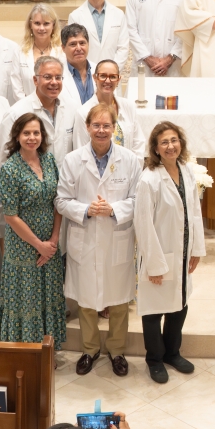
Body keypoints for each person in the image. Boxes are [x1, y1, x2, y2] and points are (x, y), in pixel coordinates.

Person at [56, 104, 142, 377]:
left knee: (118, 299)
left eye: (107, 126)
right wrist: (86, 210)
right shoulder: (72, 160)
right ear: (87, 127)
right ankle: (89, 349)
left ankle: (117, 350)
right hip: (86, 235)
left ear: (115, 128)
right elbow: (61, 200)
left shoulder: (130, 160)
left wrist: (114, 209)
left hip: (117, 236)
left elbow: (139, 199)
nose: (102, 130)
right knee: (86, 298)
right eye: (96, 125)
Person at [135, 122, 206, 383]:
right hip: (159, 254)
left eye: (174, 140)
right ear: (155, 148)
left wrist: (197, 247)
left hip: (183, 252)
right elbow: (142, 224)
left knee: (180, 304)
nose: (170, 146)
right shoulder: (149, 179)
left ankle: (172, 352)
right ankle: (154, 358)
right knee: (154, 311)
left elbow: (194, 212)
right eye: (164, 142)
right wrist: (154, 265)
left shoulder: (186, 170)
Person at [0, 113, 66, 349]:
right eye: (26, 133)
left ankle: (48, 351)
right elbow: (10, 216)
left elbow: (58, 201)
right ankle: (28, 352)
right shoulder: (10, 169)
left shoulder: (49, 161)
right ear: (17, 135)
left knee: (49, 297)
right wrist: (39, 245)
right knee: (27, 301)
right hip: (24, 249)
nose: (32, 137)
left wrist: (53, 240)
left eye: (36, 133)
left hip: (50, 246)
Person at [0, 56, 74, 168]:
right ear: (35, 80)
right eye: (47, 77)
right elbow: (4, 159)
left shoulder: (72, 107)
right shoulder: (15, 113)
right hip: (28, 183)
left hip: (66, 182)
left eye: (58, 77)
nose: (54, 82)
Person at [72, 60, 146, 158]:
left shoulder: (129, 107)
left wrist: (132, 169)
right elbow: (80, 152)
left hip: (128, 170)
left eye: (112, 77)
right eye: (103, 76)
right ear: (95, 78)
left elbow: (138, 143)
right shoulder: (83, 113)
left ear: (118, 79)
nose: (107, 81)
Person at [68, 0, 129, 73]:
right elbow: (74, 50)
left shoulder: (118, 14)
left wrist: (112, 72)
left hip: (112, 75)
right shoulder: (75, 16)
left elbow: (123, 48)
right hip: (87, 75)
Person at [18, 3, 65, 98]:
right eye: (37, 23)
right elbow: (17, 88)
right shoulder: (20, 52)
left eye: (46, 24)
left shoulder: (61, 53)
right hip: (26, 109)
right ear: (30, 25)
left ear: (53, 25)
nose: (41, 28)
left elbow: (64, 85)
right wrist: (29, 107)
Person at [56, 23, 93, 110]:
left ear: (88, 44)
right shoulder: (57, 75)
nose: (79, 48)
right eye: (73, 44)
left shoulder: (99, 70)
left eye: (82, 43)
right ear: (63, 48)